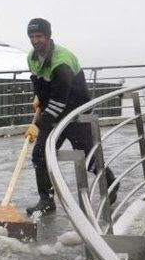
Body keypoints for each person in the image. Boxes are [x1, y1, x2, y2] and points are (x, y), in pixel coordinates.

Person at [24, 17, 118, 216]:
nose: (35, 40)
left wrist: (39, 125)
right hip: (53, 112)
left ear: (48, 36)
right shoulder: (32, 57)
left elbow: (60, 99)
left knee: (87, 156)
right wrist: (38, 98)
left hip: (76, 114)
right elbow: (41, 84)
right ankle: (46, 200)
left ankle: (111, 184)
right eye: (32, 36)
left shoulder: (62, 61)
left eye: (39, 36)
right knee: (40, 155)